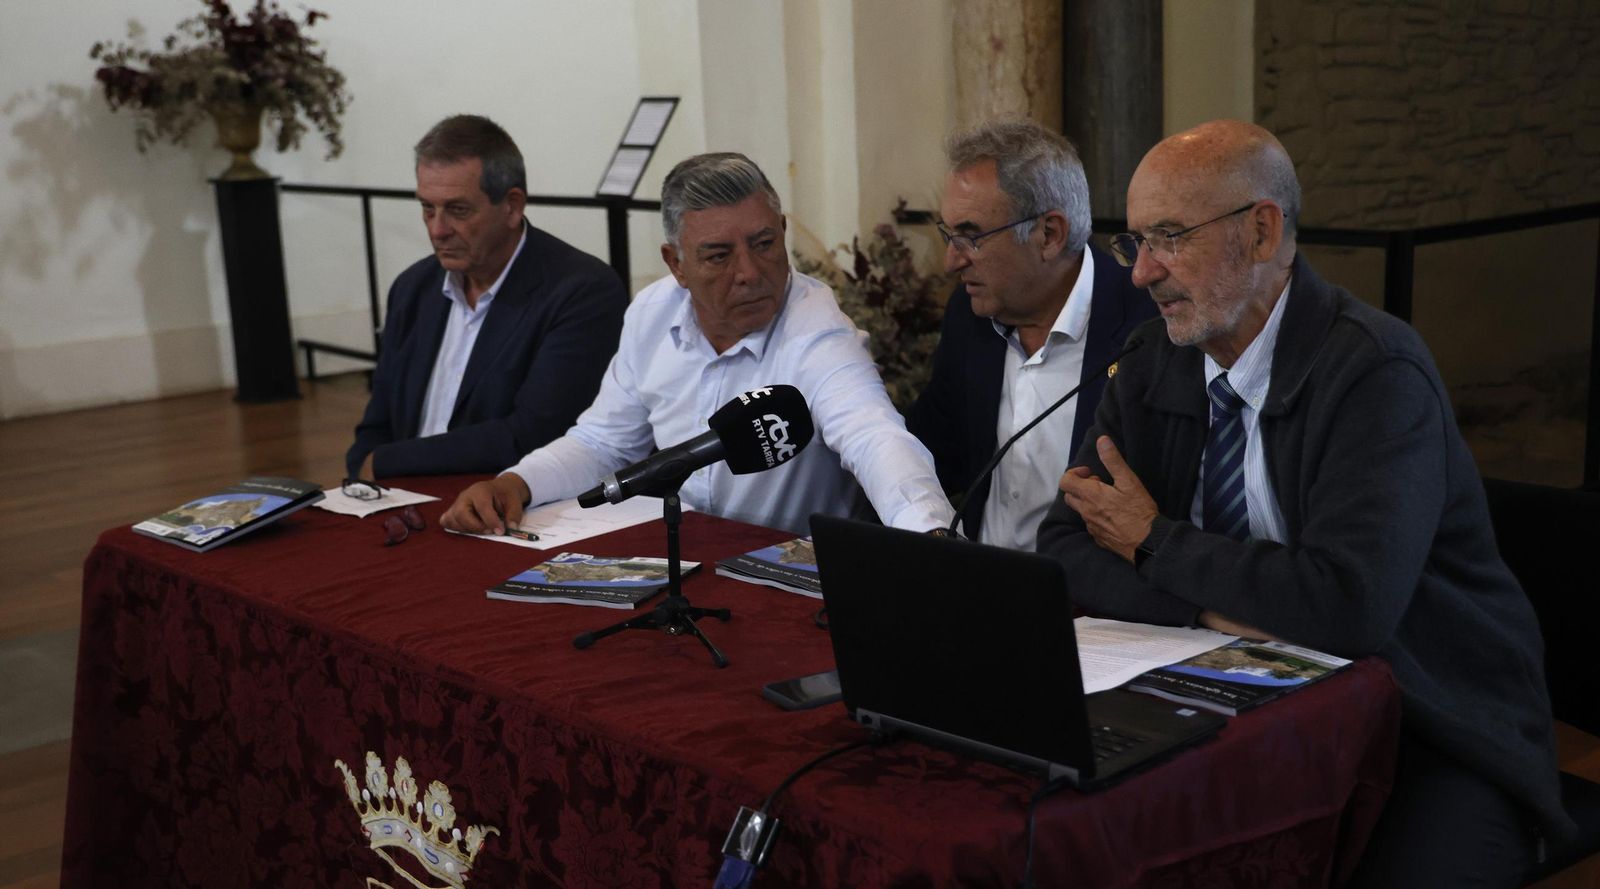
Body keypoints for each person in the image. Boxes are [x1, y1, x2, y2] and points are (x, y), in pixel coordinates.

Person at [1038, 119, 1569, 884]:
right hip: (1234, 708)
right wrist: (1215, 612)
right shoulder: (1158, 360)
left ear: (1260, 232)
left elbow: (1348, 609)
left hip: (1431, 725)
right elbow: (1064, 546)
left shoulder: (1376, 375)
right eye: (1134, 241)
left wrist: (1156, 545)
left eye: (1169, 237)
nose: (1140, 273)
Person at [441, 152, 953, 537]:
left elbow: (875, 438)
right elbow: (604, 442)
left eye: (764, 244)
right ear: (676, 263)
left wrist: (930, 537)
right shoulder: (651, 312)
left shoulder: (817, 328)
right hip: (681, 559)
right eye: (718, 256)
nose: (750, 273)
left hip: (783, 578)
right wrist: (515, 483)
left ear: (782, 232)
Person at [907, 120, 1155, 550]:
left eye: (970, 237)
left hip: (1093, 606)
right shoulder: (969, 318)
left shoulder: (1148, 329)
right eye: (949, 235)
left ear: (1049, 234)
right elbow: (929, 453)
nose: (951, 262)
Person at [345, 114, 627, 481]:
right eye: (427, 208)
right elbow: (377, 422)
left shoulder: (581, 291)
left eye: (457, 210)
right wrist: (361, 470)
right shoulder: (413, 287)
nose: (437, 229)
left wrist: (384, 464)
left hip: (509, 506)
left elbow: (531, 436)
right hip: (402, 503)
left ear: (511, 206)